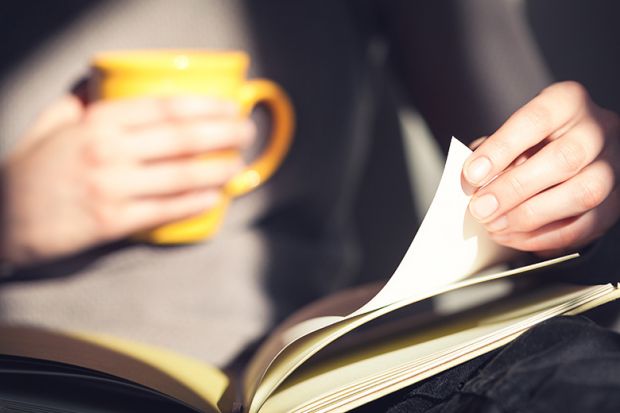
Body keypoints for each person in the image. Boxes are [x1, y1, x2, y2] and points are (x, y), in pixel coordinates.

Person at [1, 0, 619, 370]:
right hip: (35, 368)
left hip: (304, 362)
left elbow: (521, 145)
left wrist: (571, 177)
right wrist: (12, 218)